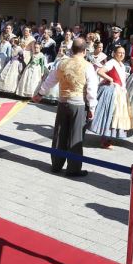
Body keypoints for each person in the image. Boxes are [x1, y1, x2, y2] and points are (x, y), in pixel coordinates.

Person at [33, 38, 98, 177]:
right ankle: (73, 168)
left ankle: (56, 164)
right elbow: (92, 89)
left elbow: (50, 80)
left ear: (71, 49)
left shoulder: (61, 63)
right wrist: (92, 108)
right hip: (78, 104)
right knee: (75, 136)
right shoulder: (87, 66)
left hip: (63, 102)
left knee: (60, 134)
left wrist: (40, 94)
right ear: (85, 51)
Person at [89, 45, 133, 148]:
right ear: (114, 53)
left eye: (123, 53)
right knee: (108, 114)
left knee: (114, 116)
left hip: (120, 92)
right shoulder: (111, 62)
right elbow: (100, 71)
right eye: (119, 52)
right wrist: (110, 79)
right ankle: (104, 139)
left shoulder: (121, 64)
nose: (122, 54)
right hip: (112, 91)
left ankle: (108, 137)